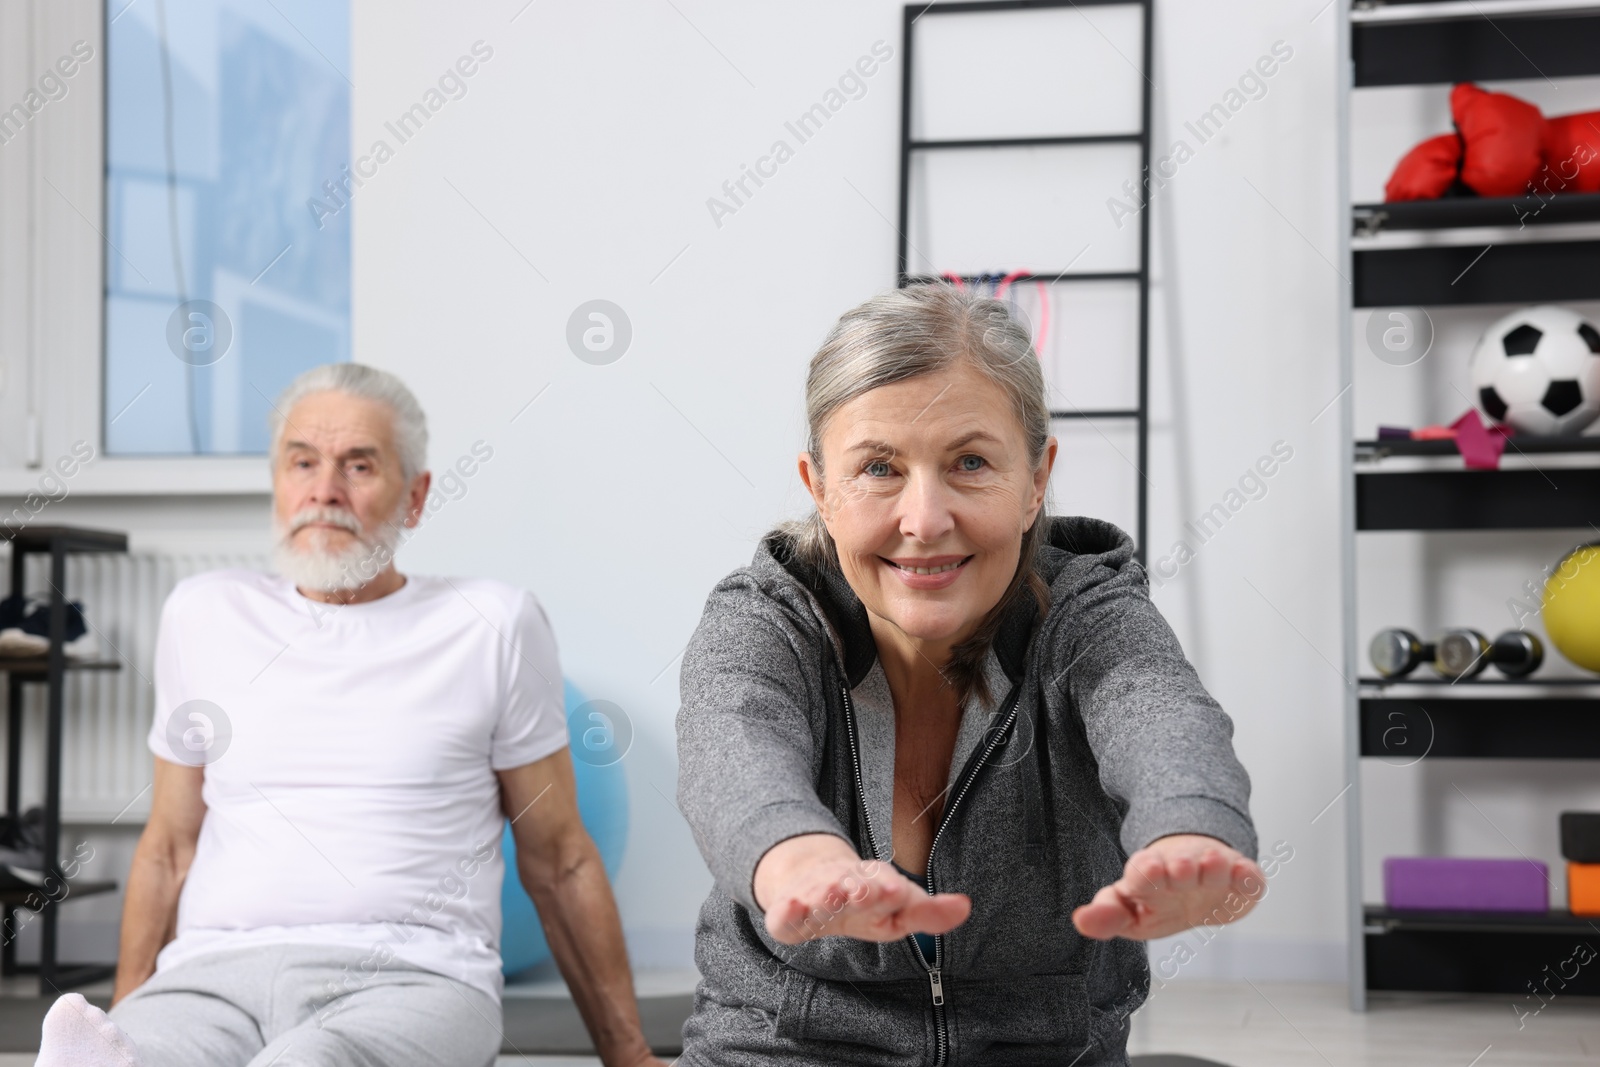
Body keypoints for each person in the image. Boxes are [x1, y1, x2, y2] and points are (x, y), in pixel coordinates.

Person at [675, 284, 1262, 1065]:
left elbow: (1159, 712)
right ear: (819, 488)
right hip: (785, 1046)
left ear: (1036, 480)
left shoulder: (1089, 614)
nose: (925, 520)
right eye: (879, 468)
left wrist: (1190, 827)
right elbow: (731, 748)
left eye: (971, 462)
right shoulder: (767, 617)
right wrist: (798, 858)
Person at [34, 364, 664, 1067]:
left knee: (306, 1064)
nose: (323, 491)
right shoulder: (202, 612)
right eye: (302, 461)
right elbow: (170, 845)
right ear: (278, 479)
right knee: (130, 1055)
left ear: (417, 496)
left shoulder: (494, 623)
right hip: (209, 979)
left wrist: (628, 1054)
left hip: (413, 976)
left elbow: (560, 858)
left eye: (358, 465)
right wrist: (127, 1015)